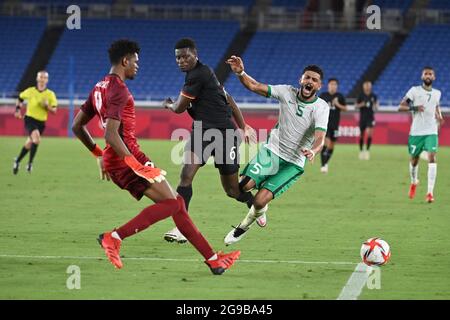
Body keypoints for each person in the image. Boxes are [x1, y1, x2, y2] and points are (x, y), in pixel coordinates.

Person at [71, 39, 240, 274]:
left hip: (121, 157)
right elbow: (111, 134)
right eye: (135, 62)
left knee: (177, 205)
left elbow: (77, 126)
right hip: (127, 157)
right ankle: (114, 237)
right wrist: (133, 163)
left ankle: (213, 259)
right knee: (172, 204)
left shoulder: (99, 87)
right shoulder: (118, 89)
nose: (137, 67)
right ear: (125, 61)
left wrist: (98, 154)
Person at [223, 55, 329, 244]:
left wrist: (313, 150)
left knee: (259, 202)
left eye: (314, 80)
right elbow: (255, 86)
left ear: (319, 86)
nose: (309, 81)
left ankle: (243, 227)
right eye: (307, 78)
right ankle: (259, 210)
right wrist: (240, 72)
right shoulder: (286, 92)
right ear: (301, 80)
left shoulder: (321, 107)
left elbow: (320, 137)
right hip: (272, 151)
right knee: (242, 186)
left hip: (294, 163)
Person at [162, 38, 257, 243]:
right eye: (178, 57)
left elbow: (179, 108)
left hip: (224, 134)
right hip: (202, 132)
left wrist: (169, 105)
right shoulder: (202, 76)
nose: (181, 60)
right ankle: (181, 228)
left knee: (232, 191)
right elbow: (228, 98)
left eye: (185, 56)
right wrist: (244, 125)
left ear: (195, 55)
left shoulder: (199, 74)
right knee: (186, 175)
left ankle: (256, 204)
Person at [398, 66, 444, 203]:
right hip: (416, 132)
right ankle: (414, 182)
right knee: (414, 160)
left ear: (434, 77)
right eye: (426, 74)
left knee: (432, 157)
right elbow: (400, 107)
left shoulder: (437, 93)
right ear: (422, 77)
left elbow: (436, 106)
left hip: (431, 131)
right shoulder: (414, 91)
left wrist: (439, 116)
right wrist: (414, 108)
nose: (428, 76)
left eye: (430, 74)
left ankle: (430, 193)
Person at [13, 71, 57, 174]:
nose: (42, 79)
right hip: (30, 119)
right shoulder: (30, 91)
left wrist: (47, 106)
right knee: (36, 139)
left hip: (41, 122)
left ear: (47, 80)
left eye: (44, 77)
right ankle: (30, 164)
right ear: (37, 79)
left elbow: (54, 111)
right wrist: (17, 110)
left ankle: (17, 161)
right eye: (40, 77)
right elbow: (20, 98)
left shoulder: (50, 94)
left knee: (29, 143)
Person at [319, 78, 347, 173]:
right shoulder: (323, 96)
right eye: (331, 84)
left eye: (335, 84)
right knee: (325, 144)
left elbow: (345, 108)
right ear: (328, 85)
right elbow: (317, 107)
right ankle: (323, 165)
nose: (333, 86)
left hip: (335, 125)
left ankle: (326, 163)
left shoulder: (340, 96)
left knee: (332, 146)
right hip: (324, 124)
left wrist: (337, 104)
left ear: (337, 86)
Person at [356, 80, 378, 160]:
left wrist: (375, 106)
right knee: (362, 135)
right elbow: (356, 106)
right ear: (363, 86)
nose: (367, 87)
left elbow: (376, 106)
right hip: (362, 118)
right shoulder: (361, 95)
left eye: (369, 85)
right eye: (366, 85)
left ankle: (367, 151)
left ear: (371, 86)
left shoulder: (374, 96)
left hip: (370, 117)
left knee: (369, 133)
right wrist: (362, 104)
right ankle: (361, 151)